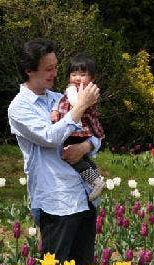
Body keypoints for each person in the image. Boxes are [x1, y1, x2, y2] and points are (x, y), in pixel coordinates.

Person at [8, 39, 100, 265]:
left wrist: (85, 147)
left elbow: (95, 134)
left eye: (55, 67)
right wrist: (80, 106)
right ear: (30, 70)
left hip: (83, 193)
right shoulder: (19, 107)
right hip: (56, 198)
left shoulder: (59, 98)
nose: (55, 73)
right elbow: (49, 137)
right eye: (48, 69)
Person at [50, 53, 105, 201]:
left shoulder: (85, 91)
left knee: (73, 158)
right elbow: (61, 100)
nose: (77, 78)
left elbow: (75, 103)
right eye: (73, 74)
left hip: (77, 130)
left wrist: (79, 104)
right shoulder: (75, 90)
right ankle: (96, 176)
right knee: (83, 156)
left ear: (91, 78)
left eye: (82, 74)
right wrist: (55, 110)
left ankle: (94, 181)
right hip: (80, 129)